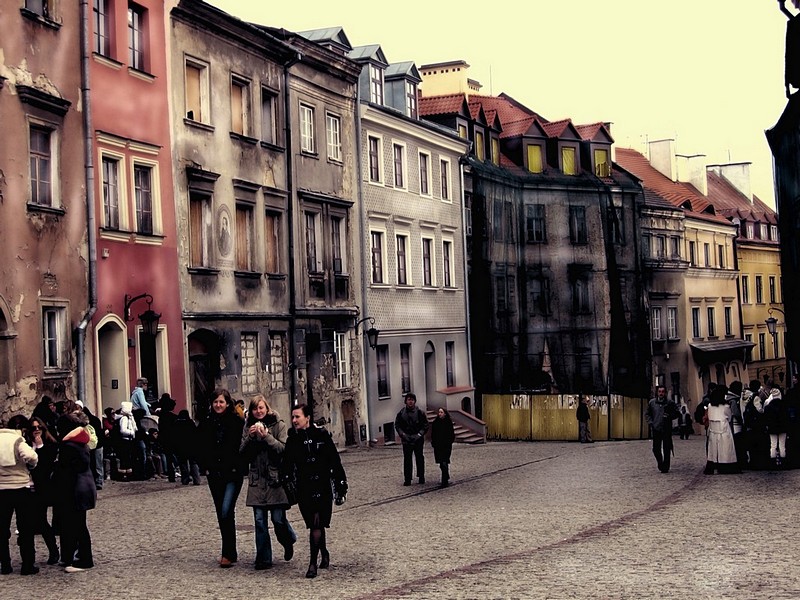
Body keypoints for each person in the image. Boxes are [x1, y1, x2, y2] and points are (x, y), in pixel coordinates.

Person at [281, 403, 347, 579]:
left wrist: (340, 483)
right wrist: (287, 482)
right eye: (293, 417)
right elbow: (287, 465)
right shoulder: (293, 440)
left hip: (322, 486)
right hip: (304, 487)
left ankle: (312, 564)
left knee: (317, 522)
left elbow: (334, 460)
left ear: (307, 418)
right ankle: (323, 552)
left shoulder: (321, 435)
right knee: (314, 524)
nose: (294, 420)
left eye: (298, 417)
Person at [239, 395, 297, 570]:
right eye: (255, 408)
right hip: (257, 480)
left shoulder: (278, 424)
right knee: (259, 520)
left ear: (267, 408)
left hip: (275, 479)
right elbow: (242, 454)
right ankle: (264, 558)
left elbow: (283, 449)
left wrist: (266, 437)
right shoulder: (247, 427)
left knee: (278, 519)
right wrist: (250, 438)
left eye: (261, 408)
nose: (258, 411)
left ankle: (288, 540)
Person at [197, 388, 245, 568]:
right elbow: (200, 446)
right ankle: (229, 552)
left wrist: (238, 465)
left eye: (221, 402)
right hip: (214, 474)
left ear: (227, 403)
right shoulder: (206, 422)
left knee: (226, 510)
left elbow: (240, 447)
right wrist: (205, 467)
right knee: (222, 513)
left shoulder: (236, 421)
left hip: (232, 473)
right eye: (215, 402)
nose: (218, 405)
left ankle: (228, 553)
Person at [52, 411, 96, 572]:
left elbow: (64, 470)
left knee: (77, 525)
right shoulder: (79, 442)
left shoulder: (68, 446)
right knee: (74, 524)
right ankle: (70, 556)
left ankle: (84, 559)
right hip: (82, 487)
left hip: (75, 489)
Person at [0, 415, 39, 575]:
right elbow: (31, 456)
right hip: (21, 487)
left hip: (1, 488)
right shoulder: (18, 440)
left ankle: (5, 564)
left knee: (2, 528)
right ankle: (27, 565)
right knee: (25, 527)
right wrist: (31, 465)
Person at [25, 416, 60, 565]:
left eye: (39, 427)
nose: (37, 430)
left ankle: (53, 550)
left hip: (42, 488)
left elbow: (45, 466)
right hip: (26, 487)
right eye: (33, 428)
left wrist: (40, 447)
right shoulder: (25, 444)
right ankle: (28, 557)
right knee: (27, 522)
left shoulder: (50, 445)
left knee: (41, 521)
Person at [703, 385, 739, 474]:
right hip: (724, 430)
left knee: (713, 451)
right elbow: (729, 417)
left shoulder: (710, 406)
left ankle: (713, 465)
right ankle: (726, 467)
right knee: (726, 450)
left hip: (713, 431)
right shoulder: (726, 406)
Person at [395, 392, 428, 485]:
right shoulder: (401, 413)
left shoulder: (420, 412)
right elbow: (397, 425)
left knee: (419, 458)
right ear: (406, 401)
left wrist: (419, 434)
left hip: (418, 439)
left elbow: (425, 425)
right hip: (406, 439)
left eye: (412, 400)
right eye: (409, 400)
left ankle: (421, 476)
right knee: (407, 459)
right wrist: (403, 434)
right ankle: (407, 479)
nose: (410, 402)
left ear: (415, 401)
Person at [645, 385, 679, 473]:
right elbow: (647, 414)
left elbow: (677, 413)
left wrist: (670, 416)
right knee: (656, 449)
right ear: (657, 392)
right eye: (659, 391)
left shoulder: (670, 402)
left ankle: (666, 467)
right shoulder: (652, 403)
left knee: (667, 448)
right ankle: (660, 463)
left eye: (663, 392)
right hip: (656, 428)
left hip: (666, 428)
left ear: (665, 393)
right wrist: (651, 423)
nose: (661, 393)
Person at [763, 387, 789, 468]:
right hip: (783, 427)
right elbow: (787, 417)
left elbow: (765, 418)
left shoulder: (768, 407)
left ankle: (772, 463)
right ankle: (783, 463)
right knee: (782, 445)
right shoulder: (784, 405)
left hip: (772, 428)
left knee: (773, 445)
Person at [173, 410, 201, 485]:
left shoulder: (176, 423)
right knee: (193, 463)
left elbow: (174, 436)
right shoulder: (190, 422)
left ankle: (185, 479)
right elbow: (195, 434)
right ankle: (197, 479)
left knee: (183, 463)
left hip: (181, 446)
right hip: (191, 446)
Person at [431, 408, 455, 487]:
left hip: (446, 445)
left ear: (445, 413)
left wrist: (450, 441)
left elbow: (451, 434)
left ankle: (444, 480)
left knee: (444, 461)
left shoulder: (448, 422)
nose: (440, 414)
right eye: (439, 412)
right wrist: (433, 443)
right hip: (438, 446)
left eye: (441, 412)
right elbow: (433, 434)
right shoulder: (436, 422)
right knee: (441, 463)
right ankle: (446, 476)